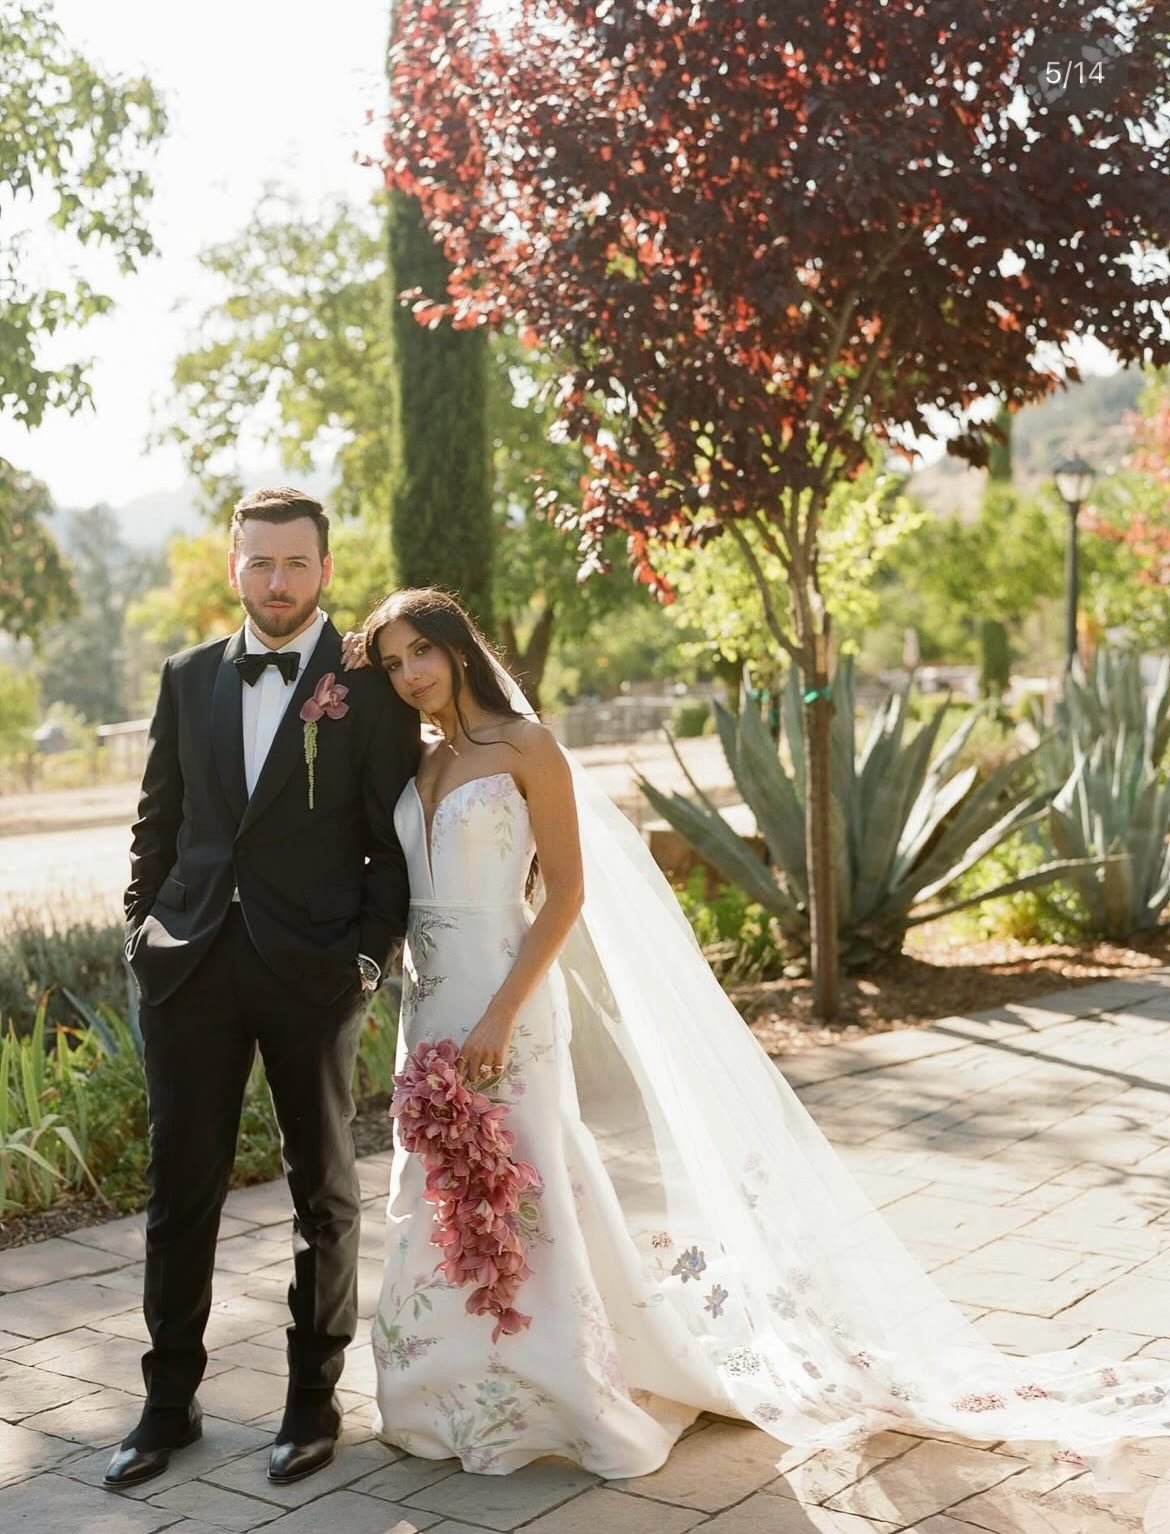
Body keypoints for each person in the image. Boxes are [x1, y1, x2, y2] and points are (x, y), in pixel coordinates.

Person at [346, 586, 1170, 1487]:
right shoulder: (419, 763)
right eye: (391, 663)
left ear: (458, 649)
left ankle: (558, 1386)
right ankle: (440, 1390)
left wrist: (503, 1008)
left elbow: (568, 892)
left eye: (420, 652)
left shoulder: (528, 748)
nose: (410, 675)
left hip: (511, 995)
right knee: (429, 1184)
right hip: (428, 1006)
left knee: (533, 1182)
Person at [105, 489, 420, 1491]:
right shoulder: (187, 675)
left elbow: (391, 838)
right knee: (177, 1191)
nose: (277, 582)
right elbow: (159, 822)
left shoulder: (367, 686)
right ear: (233, 566)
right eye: (259, 563)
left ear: (325, 569)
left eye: (296, 563)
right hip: (188, 964)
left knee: (321, 1191)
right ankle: (168, 1405)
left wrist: (367, 956)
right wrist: (139, 931)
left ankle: (311, 1401)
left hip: (315, 971)